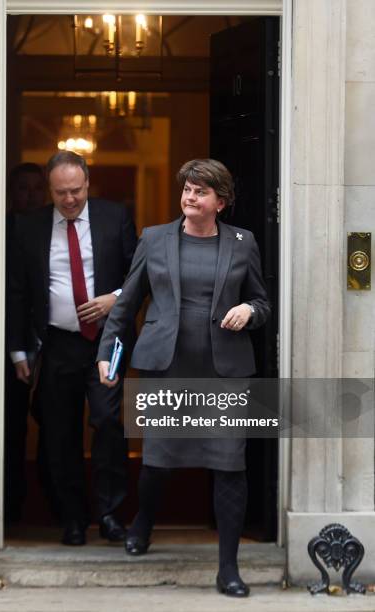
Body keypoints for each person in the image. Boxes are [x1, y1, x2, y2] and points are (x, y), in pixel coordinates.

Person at [97, 159, 270, 597]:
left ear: (221, 202)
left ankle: (228, 568)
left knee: (231, 465)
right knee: (158, 461)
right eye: (187, 190)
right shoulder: (154, 239)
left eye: (200, 192)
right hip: (165, 370)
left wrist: (249, 311)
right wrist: (108, 355)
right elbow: (127, 303)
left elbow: (261, 301)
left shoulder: (242, 242)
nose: (190, 197)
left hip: (224, 372)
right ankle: (143, 523)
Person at [8, 151, 137, 545]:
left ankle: (111, 514)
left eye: (76, 191)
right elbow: (17, 291)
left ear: (87, 182)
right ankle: (72, 519)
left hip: (106, 342)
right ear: (50, 189)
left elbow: (141, 274)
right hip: (57, 343)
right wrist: (18, 351)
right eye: (61, 193)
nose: (69, 200)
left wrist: (114, 298)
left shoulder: (114, 217)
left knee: (107, 422)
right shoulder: (28, 226)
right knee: (59, 434)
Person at [5, 162, 47, 522]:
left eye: (37, 188)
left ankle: (55, 506)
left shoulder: (56, 229)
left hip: (52, 342)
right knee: (12, 427)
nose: (31, 195)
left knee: (52, 425)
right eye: (23, 188)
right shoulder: (0, 230)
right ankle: (13, 507)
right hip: (10, 347)